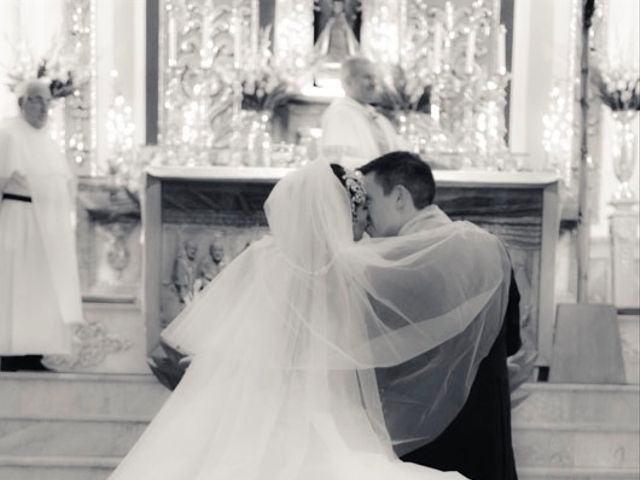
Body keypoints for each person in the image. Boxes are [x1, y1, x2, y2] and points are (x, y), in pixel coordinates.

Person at [108, 159, 512, 479]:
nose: (366, 224)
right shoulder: (343, 273)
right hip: (324, 417)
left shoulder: (262, 257)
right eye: (360, 211)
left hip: (256, 416)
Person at [360, 151, 522, 480]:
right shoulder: (490, 247)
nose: (364, 215)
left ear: (400, 197)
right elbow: (514, 341)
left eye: (369, 200)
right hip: (487, 434)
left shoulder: (399, 261)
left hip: (427, 443)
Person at [0, 79, 84, 372]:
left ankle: (34, 350)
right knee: (15, 287)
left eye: (47, 101)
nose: (43, 107)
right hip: (17, 220)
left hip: (46, 230)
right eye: (36, 100)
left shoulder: (47, 141)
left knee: (40, 289)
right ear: (22, 103)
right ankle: (8, 351)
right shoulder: (8, 134)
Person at [321, 57, 407, 169]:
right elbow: (337, 163)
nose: (374, 83)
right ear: (348, 82)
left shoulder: (378, 118)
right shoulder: (340, 114)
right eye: (368, 77)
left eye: (375, 77)